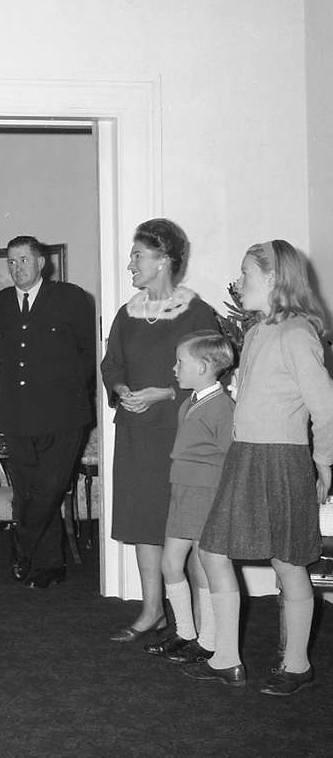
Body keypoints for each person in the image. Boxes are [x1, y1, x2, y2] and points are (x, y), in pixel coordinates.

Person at [185, 240, 333, 694]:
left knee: (288, 562)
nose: (239, 282)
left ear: (272, 280)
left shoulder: (297, 334)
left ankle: (296, 665)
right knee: (212, 550)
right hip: (246, 455)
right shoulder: (255, 334)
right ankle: (226, 659)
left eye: (246, 274)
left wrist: (325, 463)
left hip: (281, 459)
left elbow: (325, 409)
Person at [101, 219, 217, 642]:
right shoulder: (127, 314)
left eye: (138, 256)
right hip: (134, 430)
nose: (130, 263)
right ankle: (152, 611)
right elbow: (111, 362)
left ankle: (202, 626)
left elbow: (211, 370)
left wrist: (164, 393)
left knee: (185, 527)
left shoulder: (197, 312)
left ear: (163, 261)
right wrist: (121, 388)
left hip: (179, 435)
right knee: (142, 521)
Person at [0, 236, 95, 589]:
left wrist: (69, 390)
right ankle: (49, 564)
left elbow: (87, 353)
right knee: (28, 490)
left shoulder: (70, 297)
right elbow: (3, 357)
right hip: (18, 414)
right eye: (12, 262)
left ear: (40, 263)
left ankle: (22, 543)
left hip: (63, 413)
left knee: (50, 486)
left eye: (23, 260)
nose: (17, 267)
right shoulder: (0, 303)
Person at [143, 330, 234, 665]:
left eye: (181, 361)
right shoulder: (190, 401)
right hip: (182, 490)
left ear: (204, 366)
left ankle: (209, 640)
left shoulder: (222, 407)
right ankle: (186, 632)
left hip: (204, 494)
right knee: (170, 563)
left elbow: (233, 458)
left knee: (204, 567)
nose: (174, 368)